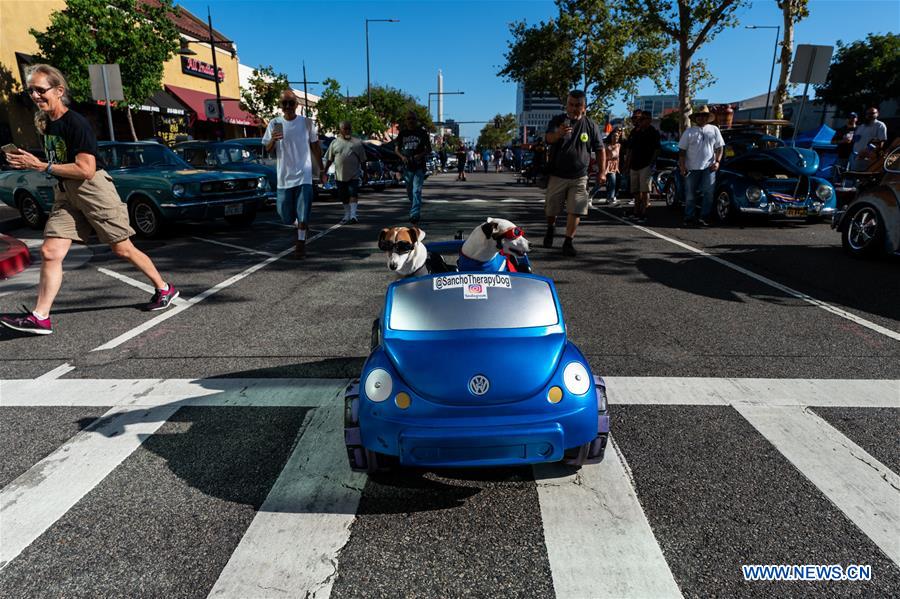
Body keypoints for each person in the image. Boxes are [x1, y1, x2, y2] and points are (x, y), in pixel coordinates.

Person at [0, 64, 178, 336]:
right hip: (66, 192)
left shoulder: (76, 123)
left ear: (59, 91)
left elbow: (86, 169)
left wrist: (41, 167)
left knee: (122, 249)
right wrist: (28, 163)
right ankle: (40, 317)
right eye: (31, 91)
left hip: (93, 189)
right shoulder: (47, 123)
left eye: (40, 89)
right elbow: (57, 162)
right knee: (50, 252)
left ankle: (164, 288)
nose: (35, 95)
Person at [543, 89, 606, 257]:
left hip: (579, 176)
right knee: (552, 210)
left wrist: (602, 172)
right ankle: (551, 228)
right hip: (557, 174)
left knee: (576, 209)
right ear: (566, 105)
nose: (573, 108)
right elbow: (548, 138)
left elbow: (600, 150)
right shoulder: (558, 120)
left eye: (578, 105)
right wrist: (558, 134)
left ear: (584, 107)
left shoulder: (591, 125)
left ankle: (568, 242)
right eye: (571, 104)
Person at [263, 89, 324, 258]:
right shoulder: (274, 123)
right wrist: (273, 139)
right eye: (285, 103)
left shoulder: (307, 123)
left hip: (304, 176)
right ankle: (299, 224)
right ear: (280, 105)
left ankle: (301, 244)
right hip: (284, 177)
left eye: (291, 103)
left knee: (304, 214)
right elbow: (268, 150)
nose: (288, 106)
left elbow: (315, 147)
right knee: (285, 216)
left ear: (297, 105)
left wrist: (322, 169)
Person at [678, 105, 724, 227]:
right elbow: (682, 151)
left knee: (708, 193)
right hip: (691, 168)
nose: (701, 118)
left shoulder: (714, 129)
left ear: (708, 117)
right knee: (690, 194)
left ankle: (704, 217)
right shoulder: (689, 131)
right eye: (699, 115)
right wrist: (682, 167)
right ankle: (689, 217)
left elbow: (719, 147)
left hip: (709, 167)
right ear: (696, 118)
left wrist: (717, 161)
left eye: (704, 115)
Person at [322, 120, 367, 224]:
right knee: (343, 196)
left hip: (354, 175)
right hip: (339, 175)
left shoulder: (357, 143)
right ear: (340, 130)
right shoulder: (334, 142)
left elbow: (363, 160)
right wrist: (324, 172)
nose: (347, 131)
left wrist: (365, 173)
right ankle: (347, 214)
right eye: (345, 129)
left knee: (353, 193)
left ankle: (353, 216)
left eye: (349, 129)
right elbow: (329, 159)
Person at [394, 110, 431, 224]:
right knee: (410, 190)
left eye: (413, 119)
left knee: (416, 190)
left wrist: (419, 155)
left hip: (419, 166)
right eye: (409, 119)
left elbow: (428, 149)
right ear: (406, 121)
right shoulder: (402, 134)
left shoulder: (422, 133)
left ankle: (414, 214)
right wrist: (402, 157)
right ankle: (416, 204)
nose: (411, 121)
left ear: (416, 120)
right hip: (407, 166)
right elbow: (396, 149)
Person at [624, 110, 659, 223]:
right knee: (635, 190)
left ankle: (644, 213)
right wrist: (627, 164)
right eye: (640, 119)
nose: (640, 121)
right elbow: (630, 149)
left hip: (646, 165)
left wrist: (651, 163)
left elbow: (657, 149)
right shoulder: (635, 131)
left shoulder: (653, 132)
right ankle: (636, 211)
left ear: (649, 120)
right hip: (634, 165)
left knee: (645, 190)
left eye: (643, 119)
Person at [851, 107, 888, 171]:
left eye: (872, 113)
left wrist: (866, 152)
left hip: (867, 159)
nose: (869, 115)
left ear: (877, 114)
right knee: (853, 178)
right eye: (867, 114)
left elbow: (881, 143)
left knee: (863, 178)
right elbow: (855, 140)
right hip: (855, 157)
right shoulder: (861, 126)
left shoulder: (880, 125)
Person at [830, 112, 857, 176]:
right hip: (842, 155)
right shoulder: (841, 129)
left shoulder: (859, 129)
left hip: (855, 155)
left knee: (852, 174)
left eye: (853, 117)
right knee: (840, 173)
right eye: (849, 118)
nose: (851, 119)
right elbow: (832, 142)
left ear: (856, 119)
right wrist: (842, 141)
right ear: (846, 119)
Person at [604, 128, 622, 207]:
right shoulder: (607, 146)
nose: (616, 138)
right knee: (610, 183)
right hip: (608, 166)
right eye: (614, 136)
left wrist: (618, 167)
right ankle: (590, 196)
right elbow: (603, 157)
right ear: (611, 137)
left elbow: (618, 158)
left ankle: (610, 198)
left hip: (615, 167)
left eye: (617, 137)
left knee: (615, 182)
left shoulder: (618, 145)